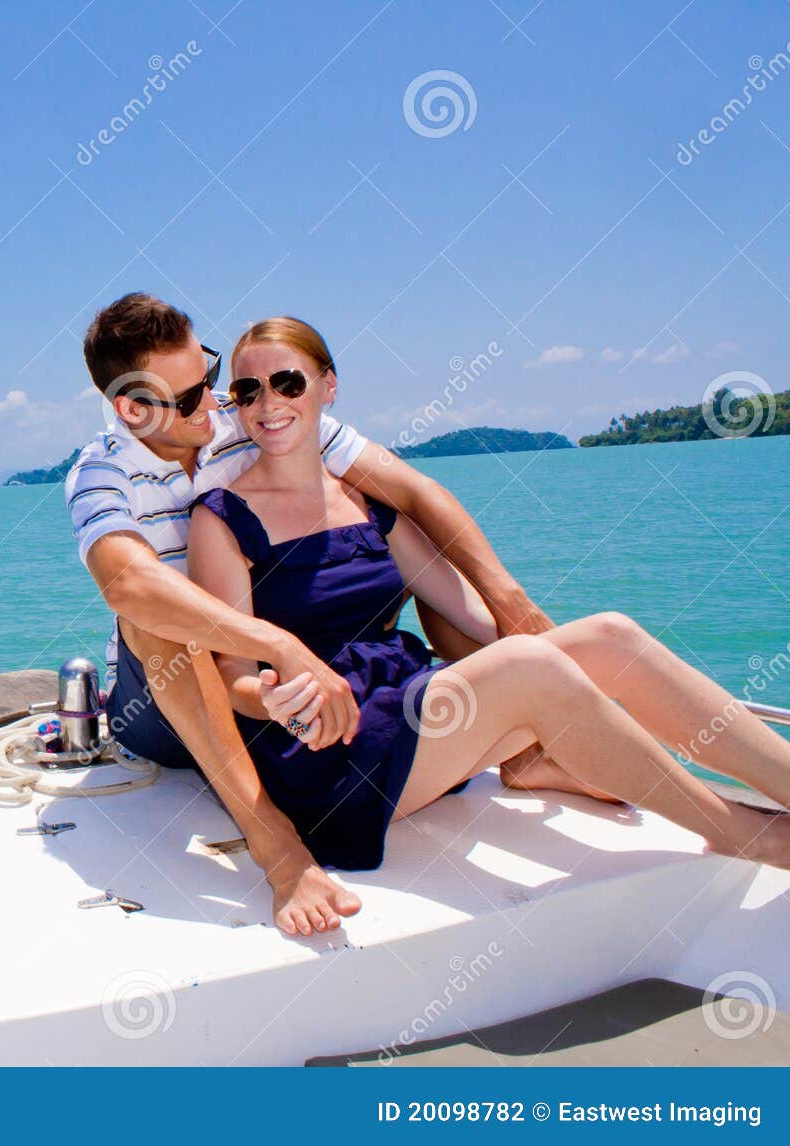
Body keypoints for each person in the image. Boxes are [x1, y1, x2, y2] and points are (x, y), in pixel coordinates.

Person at [187, 315, 790, 934]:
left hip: (410, 710)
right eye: (247, 391)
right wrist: (279, 699)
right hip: (325, 754)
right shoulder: (223, 519)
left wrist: (566, 683)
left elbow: (466, 612)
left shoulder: (366, 503)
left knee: (609, 635)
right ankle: (739, 832)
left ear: (328, 386)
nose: (268, 404)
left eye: (287, 382)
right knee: (529, 665)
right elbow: (230, 675)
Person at [66, 293, 550, 936]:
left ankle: (536, 725)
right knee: (153, 618)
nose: (213, 402)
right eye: (187, 399)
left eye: (208, 378)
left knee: (392, 531)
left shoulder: (252, 411)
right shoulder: (101, 473)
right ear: (131, 408)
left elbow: (409, 487)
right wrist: (279, 644)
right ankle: (279, 850)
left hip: (268, 680)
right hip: (162, 706)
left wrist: (513, 605)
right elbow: (127, 583)